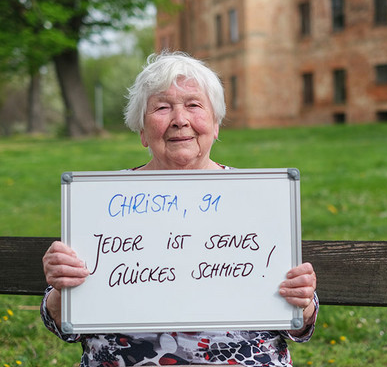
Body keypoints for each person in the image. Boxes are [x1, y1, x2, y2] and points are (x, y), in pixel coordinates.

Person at [41, 51, 318, 367]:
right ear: (142, 132)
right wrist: (62, 290)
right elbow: (62, 322)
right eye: (161, 107)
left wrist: (303, 301)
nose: (180, 120)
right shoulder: (101, 199)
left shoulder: (259, 196)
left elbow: (300, 319)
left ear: (215, 125)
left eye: (194, 105)